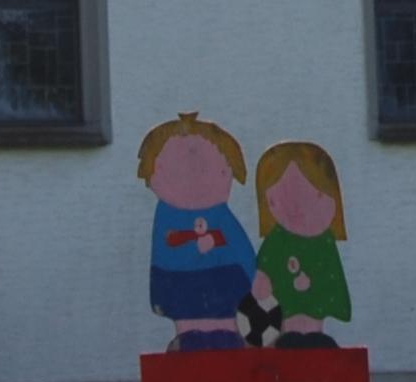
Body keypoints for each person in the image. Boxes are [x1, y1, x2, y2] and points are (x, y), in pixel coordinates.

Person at [138, 112, 255, 349]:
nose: (193, 176)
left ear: (227, 172)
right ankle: (189, 335)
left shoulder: (221, 216)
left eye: (208, 168)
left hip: (225, 283)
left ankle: (227, 333)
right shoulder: (166, 217)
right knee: (187, 317)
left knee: (226, 323)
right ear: (155, 175)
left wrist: (255, 278)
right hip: (180, 282)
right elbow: (162, 253)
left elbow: (241, 249)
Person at [247, 138, 352, 347]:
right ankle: (290, 337)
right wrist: (263, 281)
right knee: (289, 334)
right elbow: (265, 268)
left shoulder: (324, 243)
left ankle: (313, 337)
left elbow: (331, 277)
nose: (294, 208)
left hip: (315, 311)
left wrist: (313, 284)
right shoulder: (277, 239)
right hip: (284, 313)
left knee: (313, 333)